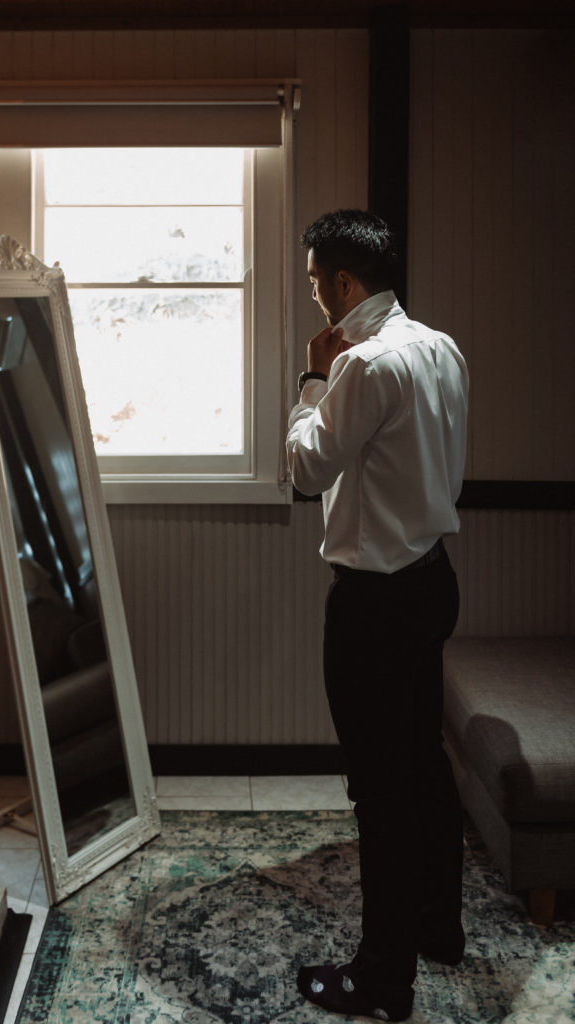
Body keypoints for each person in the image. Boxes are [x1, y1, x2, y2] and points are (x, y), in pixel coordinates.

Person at [286, 209, 469, 1023]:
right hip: (433, 580)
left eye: (317, 282)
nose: (316, 297)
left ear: (345, 283)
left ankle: (383, 980)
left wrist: (310, 381)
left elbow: (303, 469)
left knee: (381, 790)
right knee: (424, 763)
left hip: (374, 603)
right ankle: (440, 926)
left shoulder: (360, 365)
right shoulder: (440, 348)